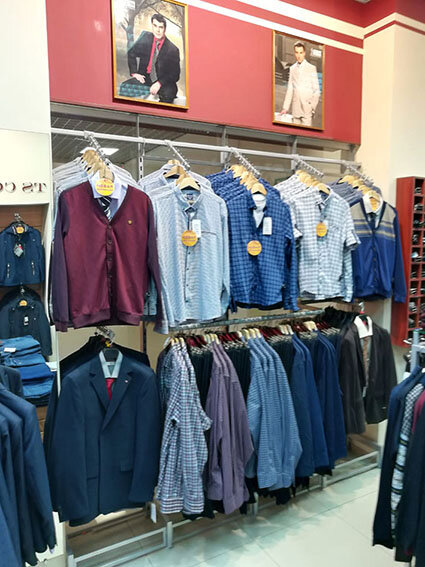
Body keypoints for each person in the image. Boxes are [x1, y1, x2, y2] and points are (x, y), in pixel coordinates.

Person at [127, 14, 180, 103]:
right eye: (155, 26)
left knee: (168, 95)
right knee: (124, 87)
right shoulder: (145, 37)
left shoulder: (173, 49)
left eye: (161, 27)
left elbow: (175, 74)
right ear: (152, 26)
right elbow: (131, 52)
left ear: (165, 29)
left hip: (163, 81)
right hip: (145, 78)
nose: (157, 30)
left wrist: (159, 83)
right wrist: (134, 73)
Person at [279, 41, 320, 127]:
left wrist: (312, 107)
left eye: (301, 52)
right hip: (296, 108)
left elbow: (316, 91)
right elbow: (290, 89)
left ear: (304, 53)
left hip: (307, 109)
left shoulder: (311, 68)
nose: (299, 55)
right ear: (294, 53)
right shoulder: (292, 68)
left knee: (307, 133)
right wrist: (285, 108)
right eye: (297, 52)